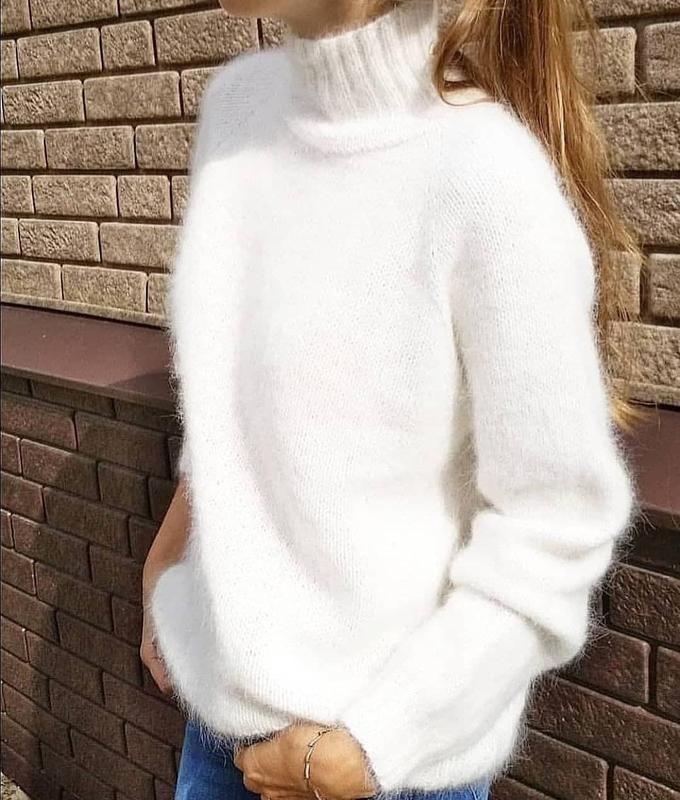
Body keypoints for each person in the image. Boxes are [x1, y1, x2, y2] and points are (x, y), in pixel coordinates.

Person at [140, 1, 642, 799]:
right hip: (220, 730)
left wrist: (374, 746)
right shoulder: (237, 112)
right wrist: (170, 562)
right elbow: (233, 394)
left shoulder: (484, 174)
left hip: (384, 765)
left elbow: (559, 523)